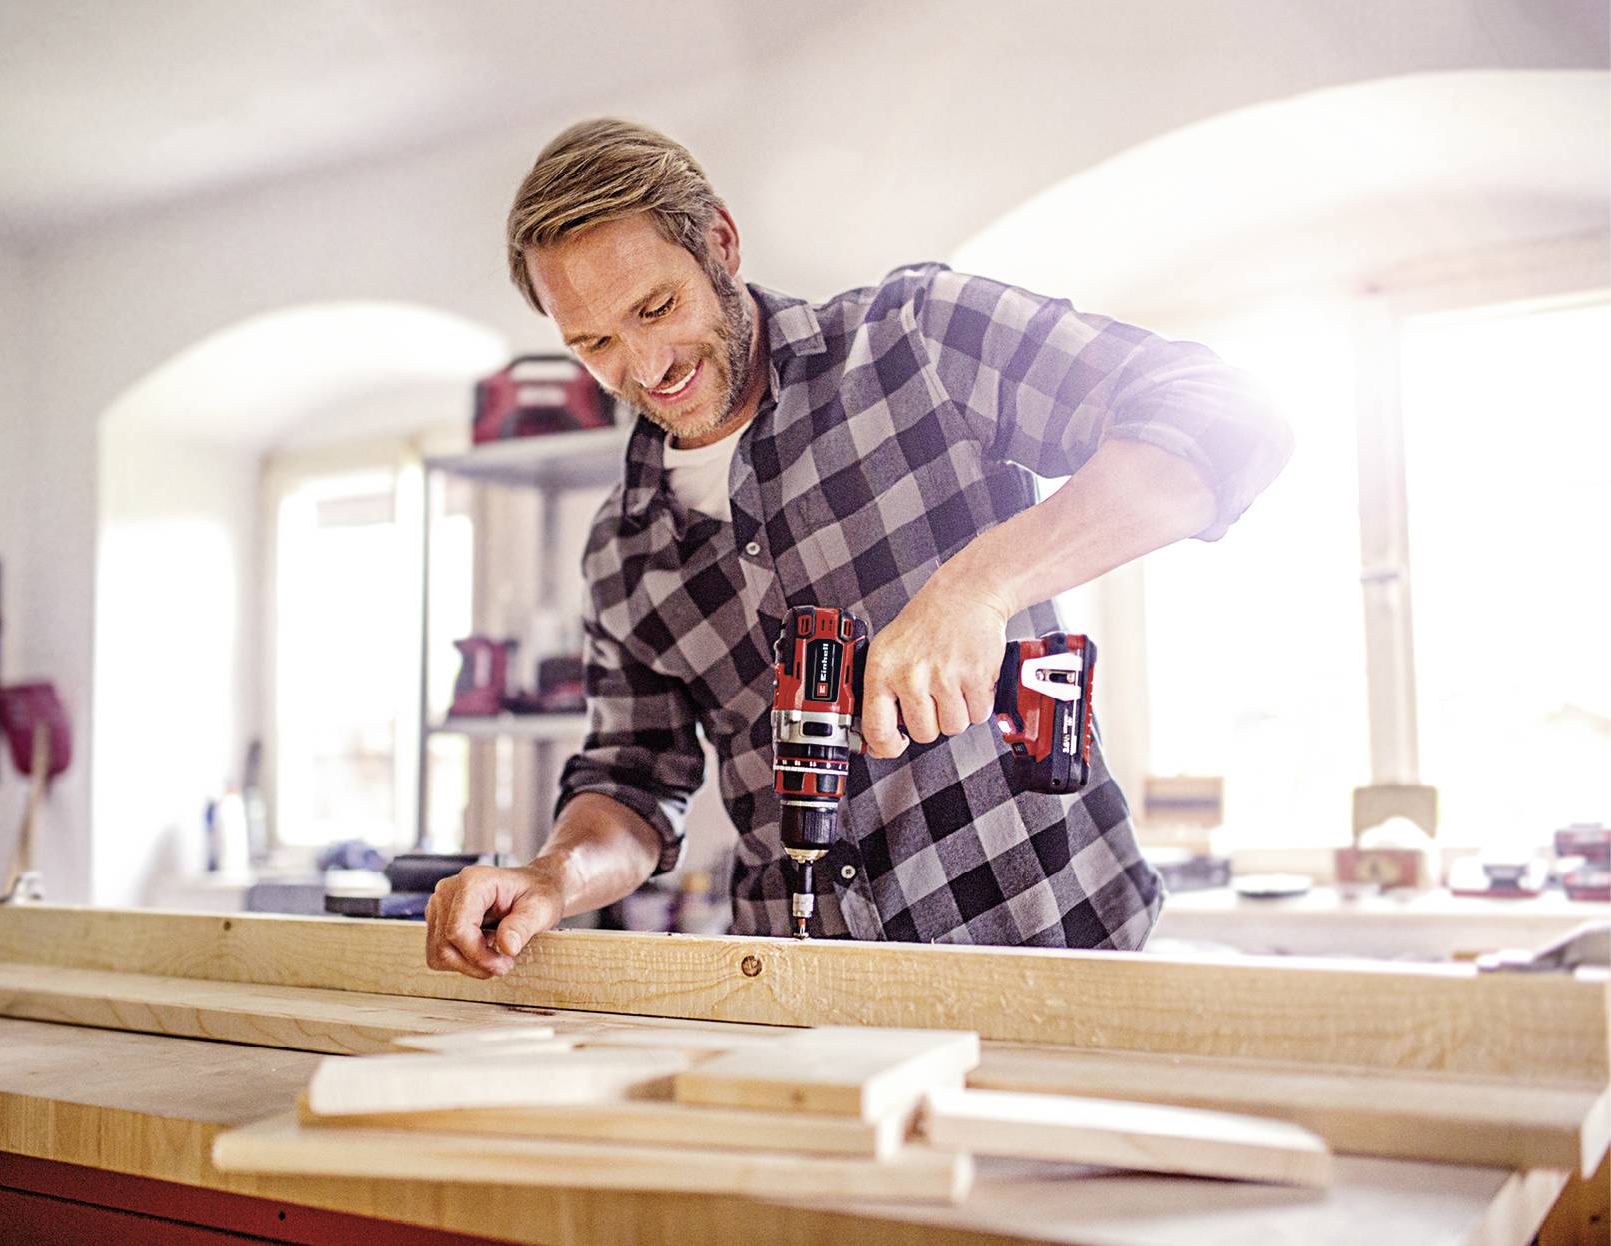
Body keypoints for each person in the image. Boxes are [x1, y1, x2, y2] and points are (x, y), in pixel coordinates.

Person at [424, 118, 1291, 978]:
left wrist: (981, 585)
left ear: (720, 243)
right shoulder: (623, 547)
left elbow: (1225, 417)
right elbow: (633, 783)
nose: (645, 366)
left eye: (657, 308)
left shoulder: (917, 343)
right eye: (596, 344)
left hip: (1058, 954)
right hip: (800, 992)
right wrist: (549, 875)